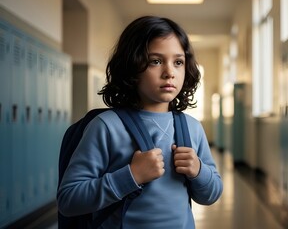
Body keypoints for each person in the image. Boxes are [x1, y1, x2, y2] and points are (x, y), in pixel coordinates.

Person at [57, 16, 223, 228]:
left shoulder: (192, 128)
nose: (169, 73)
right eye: (155, 61)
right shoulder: (106, 126)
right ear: (131, 66)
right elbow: (68, 200)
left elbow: (211, 194)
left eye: (178, 62)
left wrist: (199, 170)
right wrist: (131, 175)